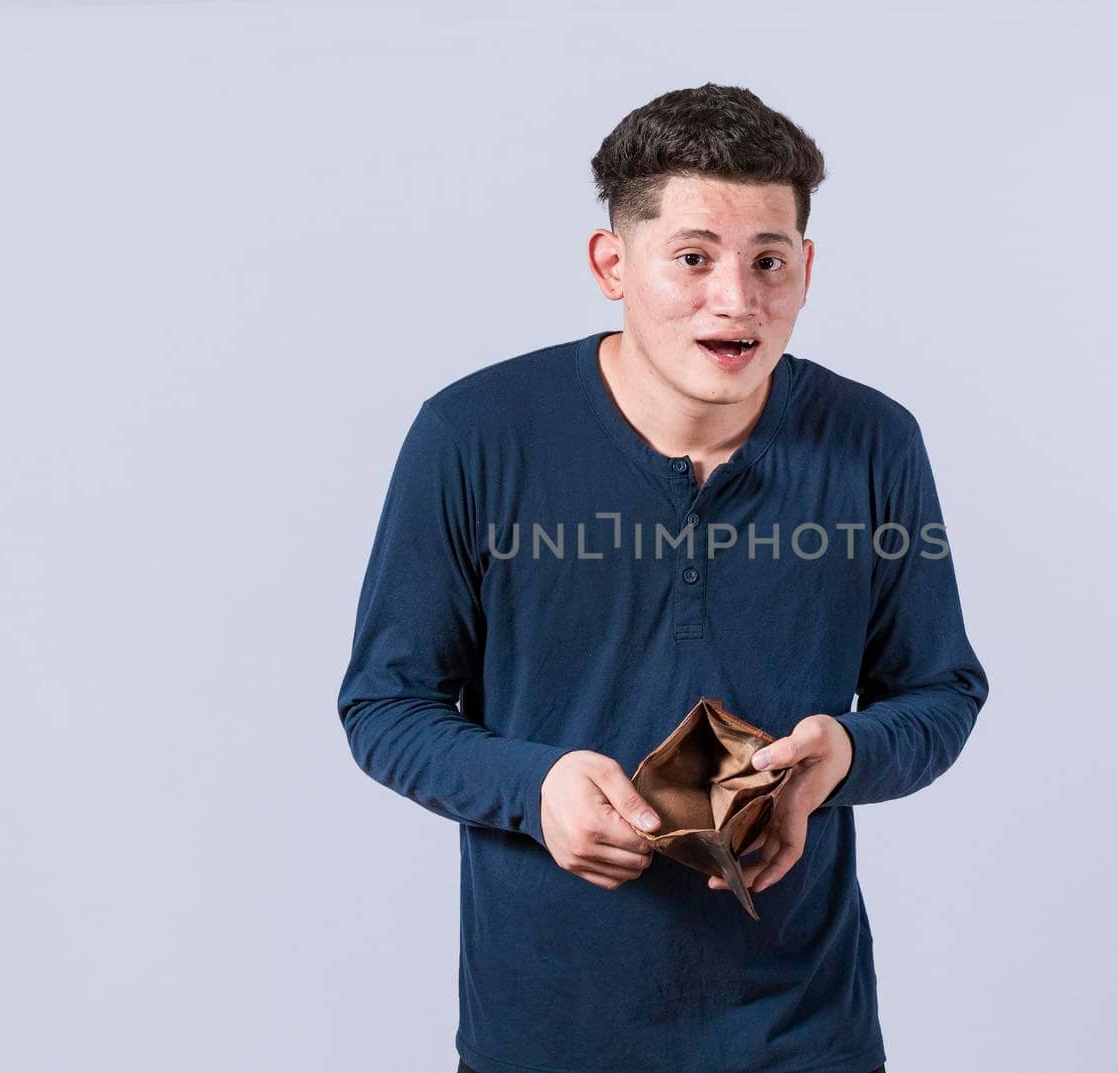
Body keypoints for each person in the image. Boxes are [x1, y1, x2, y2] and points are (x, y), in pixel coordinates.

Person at [337, 82, 987, 1073]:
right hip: (545, 1033)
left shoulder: (874, 443)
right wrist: (535, 784)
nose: (736, 298)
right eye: (691, 257)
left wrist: (840, 757)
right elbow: (384, 705)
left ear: (805, 269)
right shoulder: (472, 435)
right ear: (613, 263)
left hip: (803, 1032)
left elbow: (942, 693)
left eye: (769, 260)